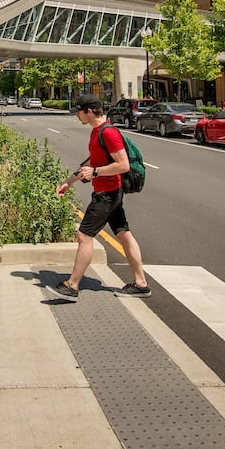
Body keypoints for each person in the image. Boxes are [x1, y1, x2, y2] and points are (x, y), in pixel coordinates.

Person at [47, 93, 150, 300]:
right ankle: (141, 284)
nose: (77, 116)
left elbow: (123, 165)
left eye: (80, 113)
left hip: (107, 194)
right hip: (111, 192)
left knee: (84, 236)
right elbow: (91, 162)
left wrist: (95, 173)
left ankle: (72, 286)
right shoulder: (96, 132)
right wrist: (69, 182)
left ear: (91, 112)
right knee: (123, 234)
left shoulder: (108, 133)